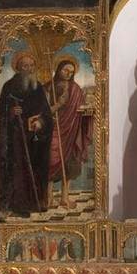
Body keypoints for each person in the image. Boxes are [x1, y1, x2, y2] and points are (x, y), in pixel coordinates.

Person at [0, 51, 53, 218]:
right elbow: (0, 112)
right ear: (18, 68)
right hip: (16, 137)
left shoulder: (38, 87)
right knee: (19, 169)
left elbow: (46, 113)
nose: (29, 69)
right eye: (25, 66)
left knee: (37, 166)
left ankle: (37, 202)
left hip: (35, 137)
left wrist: (40, 122)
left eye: (31, 66)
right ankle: (19, 205)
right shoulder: (9, 87)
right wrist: (11, 112)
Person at [45, 57, 92, 209]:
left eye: (71, 72)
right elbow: (43, 111)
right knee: (51, 161)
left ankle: (64, 198)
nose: (68, 74)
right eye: (65, 70)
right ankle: (48, 198)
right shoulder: (48, 87)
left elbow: (81, 107)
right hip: (53, 129)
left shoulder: (76, 89)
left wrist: (86, 111)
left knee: (70, 163)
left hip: (72, 129)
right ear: (59, 69)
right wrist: (59, 104)